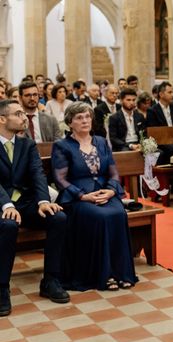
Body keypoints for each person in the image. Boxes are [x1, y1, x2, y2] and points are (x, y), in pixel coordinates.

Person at [51, 102, 137, 291]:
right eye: (79, 118)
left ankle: (121, 272)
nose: (85, 121)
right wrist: (83, 196)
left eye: (88, 116)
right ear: (69, 122)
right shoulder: (62, 146)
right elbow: (60, 179)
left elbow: (114, 172)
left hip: (105, 192)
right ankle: (104, 275)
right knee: (101, 216)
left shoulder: (100, 141)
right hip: (77, 197)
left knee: (118, 213)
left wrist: (112, 190)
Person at [0, 99, 69, 315]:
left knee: (57, 218)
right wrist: (6, 204)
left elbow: (38, 174)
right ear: (2, 119)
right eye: (18, 114)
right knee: (8, 225)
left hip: (27, 203)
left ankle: (50, 280)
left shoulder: (27, 144)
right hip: (1, 204)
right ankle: (2, 288)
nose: (24, 117)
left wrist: (43, 201)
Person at [108, 88, 145, 152]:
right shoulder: (114, 118)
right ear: (121, 101)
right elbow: (113, 139)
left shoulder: (139, 116)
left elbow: (144, 133)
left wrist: (142, 144)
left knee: (159, 152)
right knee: (127, 152)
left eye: (134, 100)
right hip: (124, 145)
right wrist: (130, 145)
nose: (131, 102)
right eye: (128, 100)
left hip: (138, 143)